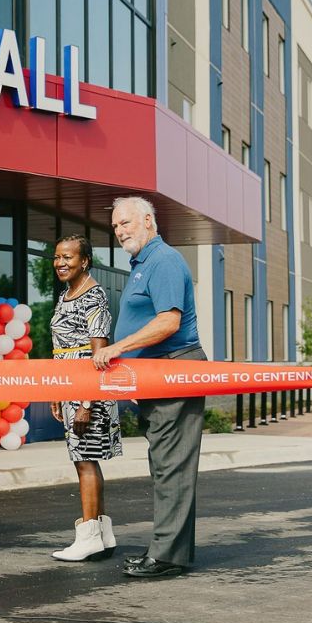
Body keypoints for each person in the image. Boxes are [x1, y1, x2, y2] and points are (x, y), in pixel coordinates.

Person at [92, 197, 205, 578]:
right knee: (164, 466)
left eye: (125, 223)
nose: (120, 230)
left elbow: (168, 322)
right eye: (116, 227)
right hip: (158, 376)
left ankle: (168, 556)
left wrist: (118, 348)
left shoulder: (164, 260)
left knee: (171, 466)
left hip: (175, 370)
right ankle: (169, 549)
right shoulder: (143, 263)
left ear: (147, 220)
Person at [48, 234, 121, 562]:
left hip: (88, 394)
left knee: (85, 461)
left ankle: (89, 534)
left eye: (68, 257)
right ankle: (102, 535)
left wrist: (85, 403)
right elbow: (62, 349)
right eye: (57, 257)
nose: (61, 263)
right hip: (71, 389)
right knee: (85, 460)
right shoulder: (66, 294)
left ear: (85, 261)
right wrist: (58, 391)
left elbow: (99, 354)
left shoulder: (94, 296)